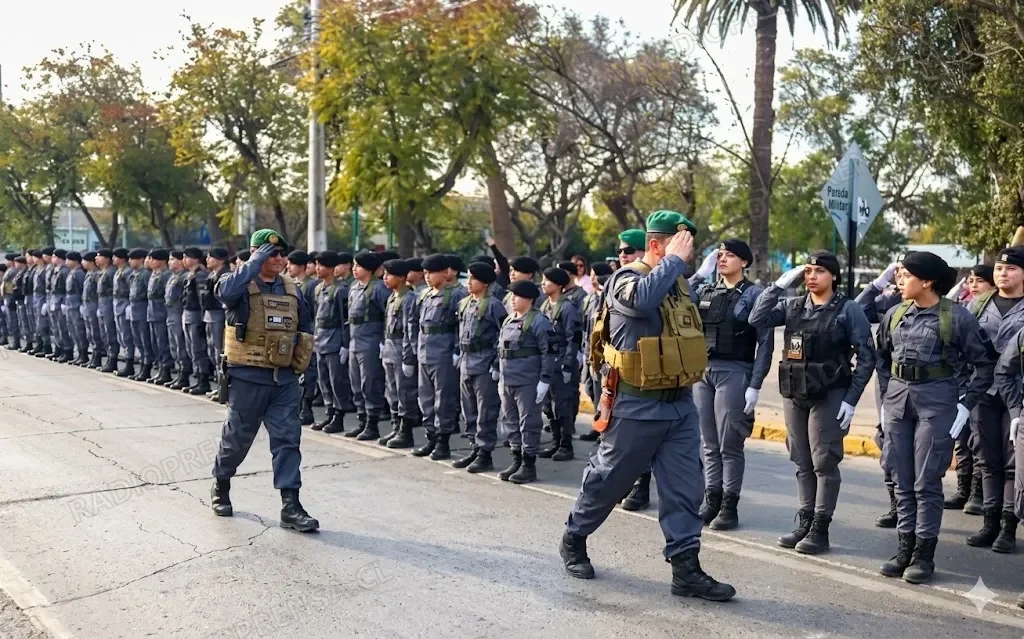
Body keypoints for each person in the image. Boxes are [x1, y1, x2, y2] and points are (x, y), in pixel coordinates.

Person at [560, 211, 734, 601]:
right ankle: (574, 537)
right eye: (678, 244)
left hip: (679, 405)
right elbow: (640, 302)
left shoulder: (678, 283)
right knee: (610, 480)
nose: (686, 254)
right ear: (657, 245)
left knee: (685, 490)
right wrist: (672, 261)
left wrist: (676, 268)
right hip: (635, 403)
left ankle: (686, 568)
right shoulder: (626, 279)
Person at [875, 251, 996, 583]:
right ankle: (904, 548)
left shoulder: (957, 318)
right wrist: (885, 399)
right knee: (900, 476)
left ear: (926, 281)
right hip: (899, 402)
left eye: (906, 275)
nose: (900, 281)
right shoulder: (895, 314)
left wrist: (964, 404)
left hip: (938, 401)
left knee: (926, 481)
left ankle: (923, 556)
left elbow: (984, 364)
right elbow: (882, 359)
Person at [748, 250, 876, 555]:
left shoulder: (848, 310)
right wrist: (778, 286)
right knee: (801, 460)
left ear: (833, 275)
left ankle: (821, 528)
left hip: (829, 394)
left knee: (824, 461)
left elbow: (867, 355)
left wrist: (851, 399)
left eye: (819, 271)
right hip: (794, 393)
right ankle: (804, 522)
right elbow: (756, 318)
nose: (812, 276)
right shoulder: (793, 306)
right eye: (808, 271)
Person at [210, 229, 317, 531]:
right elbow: (224, 293)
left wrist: (302, 360)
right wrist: (253, 263)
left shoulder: (292, 288)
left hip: (283, 379)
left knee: (287, 440)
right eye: (272, 254)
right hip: (247, 378)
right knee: (236, 440)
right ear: (257, 254)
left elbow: (306, 325)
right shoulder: (241, 285)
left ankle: (290, 505)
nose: (280, 259)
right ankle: (221, 484)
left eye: (282, 254)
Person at [686, 240, 774, 530]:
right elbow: (676, 295)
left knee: (730, 444)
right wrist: (700, 274)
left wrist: (756, 383)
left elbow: (765, 343)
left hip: (735, 371)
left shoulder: (754, 294)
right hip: (704, 372)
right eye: (720, 255)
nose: (723, 259)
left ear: (745, 262)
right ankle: (711, 498)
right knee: (708, 443)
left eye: (731, 255)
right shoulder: (706, 290)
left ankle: (729, 506)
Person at [964, 248, 1024, 553]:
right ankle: (989, 523)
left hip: (1018, 392)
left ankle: (1008, 527)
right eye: (999, 268)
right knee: (987, 458)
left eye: (1011, 268)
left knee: (1014, 462)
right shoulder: (979, 303)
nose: (1003, 273)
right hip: (983, 389)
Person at [854, 259, 907, 529]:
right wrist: (876, 284)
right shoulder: (888, 302)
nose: (899, 276)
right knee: (887, 440)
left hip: (925, 389)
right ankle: (896, 504)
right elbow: (858, 308)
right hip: (889, 384)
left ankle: (912, 505)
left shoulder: (940, 307)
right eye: (897, 271)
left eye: (906, 272)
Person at [495, 280, 555, 483]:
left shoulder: (539, 321)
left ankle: (528, 464)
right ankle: (517, 458)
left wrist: (544, 380)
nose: (512, 300)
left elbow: (549, 352)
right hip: (508, 380)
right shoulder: (509, 320)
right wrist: (498, 373)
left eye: (516, 296)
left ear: (528, 298)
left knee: (528, 423)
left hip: (527, 381)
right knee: (511, 421)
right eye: (511, 296)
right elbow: (501, 349)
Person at [409, 254, 467, 460]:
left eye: (431, 273)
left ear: (444, 273)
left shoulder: (456, 296)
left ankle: (443, 441)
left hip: (443, 353)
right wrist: (414, 348)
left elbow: (462, 326)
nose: (427, 277)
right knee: (425, 397)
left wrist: (456, 351)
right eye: (424, 273)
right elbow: (413, 322)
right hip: (425, 351)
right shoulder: (423, 295)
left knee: (443, 399)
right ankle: (431, 436)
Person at [452, 262, 507, 472]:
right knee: (469, 409)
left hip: (484, 362)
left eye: (473, 279)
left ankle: (485, 453)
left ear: (484, 283)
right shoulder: (464, 303)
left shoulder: (494, 305)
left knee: (486, 410)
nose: (469, 282)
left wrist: (496, 363)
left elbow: (503, 334)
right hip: (467, 360)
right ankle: (474, 447)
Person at [344, 250, 390, 441]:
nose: (354, 269)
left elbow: (388, 316)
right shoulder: (354, 287)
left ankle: (372, 423)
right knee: (356, 383)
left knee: (370, 383)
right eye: (354, 265)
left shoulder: (378, 288)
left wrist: (383, 342)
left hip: (371, 341)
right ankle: (362, 420)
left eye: (359, 266)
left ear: (370, 269)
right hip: (356, 340)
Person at [538, 266, 582, 462]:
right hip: (548, 362)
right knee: (549, 405)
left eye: (546, 280)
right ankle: (555, 442)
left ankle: (566, 444)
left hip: (563, 360)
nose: (542, 284)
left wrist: (567, 364)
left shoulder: (567, 307)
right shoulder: (545, 306)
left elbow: (574, 338)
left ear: (557, 284)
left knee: (562, 405)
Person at [380, 259, 419, 448]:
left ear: (402, 277)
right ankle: (396, 426)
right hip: (389, 348)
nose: (385, 278)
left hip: (401, 349)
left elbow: (410, 332)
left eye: (389, 275)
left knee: (405, 392)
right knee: (392, 391)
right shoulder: (392, 296)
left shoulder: (409, 299)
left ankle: (406, 431)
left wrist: (409, 358)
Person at [312, 251, 350, 434]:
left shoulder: (340, 290)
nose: (317, 268)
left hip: (334, 341)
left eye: (321, 265)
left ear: (331, 268)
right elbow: (316, 316)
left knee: (336, 381)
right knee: (324, 379)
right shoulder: (319, 289)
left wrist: (345, 344)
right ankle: (329, 411)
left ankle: (339, 415)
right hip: (321, 339)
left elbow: (345, 320)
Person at [579, 262, 614, 444]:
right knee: (591, 389)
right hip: (590, 354)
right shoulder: (589, 299)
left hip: (605, 357)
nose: (592, 279)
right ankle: (596, 424)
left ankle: (605, 430)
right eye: (591, 275)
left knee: (604, 394)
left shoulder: (609, 297)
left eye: (595, 275)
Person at [287, 250, 319, 426]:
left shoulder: (311, 285)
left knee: (308, 374)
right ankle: (299, 407)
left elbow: (314, 312)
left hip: (307, 335)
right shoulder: (292, 284)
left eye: (291, 264)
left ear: (301, 266)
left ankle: (306, 409)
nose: (288, 267)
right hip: (295, 334)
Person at [182, 248, 212, 395]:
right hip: (188, 313)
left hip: (196, 315)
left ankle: (203, 380)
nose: (184, 260)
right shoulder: (190, 275)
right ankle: (198, 379)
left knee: (198, 349)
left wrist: (201, 320)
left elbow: (202, 300)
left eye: (186, 257)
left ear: (195, 259)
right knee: (191, 349)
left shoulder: (200, 275)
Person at [204, 248, 231, 401]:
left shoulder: (225, 275)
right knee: (211, 351)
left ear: (220, 259)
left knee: (219, 351)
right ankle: (217, 385)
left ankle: (222, 388)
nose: (207, 260)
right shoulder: (212, 275)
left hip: (219, 315)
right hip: (210, 315)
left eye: (211, 257)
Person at [146, 249, 173, 385]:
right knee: (155, 343)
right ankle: (161, 368)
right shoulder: (153, 274)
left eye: (152, 259)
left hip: (161, 314)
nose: (149, 261)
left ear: (161, 261)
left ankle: (166, 370)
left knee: (163, 344)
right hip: (152, 313)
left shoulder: (166, 275)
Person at [164, 250, 190, 388]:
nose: (170, 262)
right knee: (174, 344)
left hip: (178, 312)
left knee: (181, 345)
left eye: (173, 259)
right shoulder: (173, 276)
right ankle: (180, 373)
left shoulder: (184, 277)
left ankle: (184, 374)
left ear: (181, 261)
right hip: (170, 312)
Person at [127, 249, 153, 381]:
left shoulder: (145, 275)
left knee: (144, 339)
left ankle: (147, 367)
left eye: (133, 259)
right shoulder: (133, 274)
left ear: (140, 259)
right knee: (138, 340)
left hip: (143, 309)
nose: (130, 261)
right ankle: (143, 364)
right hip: (134, 309)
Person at [112, 248, 136, 377]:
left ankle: (129, 364)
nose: (113, 259)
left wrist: (129, 306)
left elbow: (131, 290)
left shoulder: (127, 272)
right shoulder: (118, 272)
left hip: (125, 304)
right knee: (121, 336)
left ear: (121, 258)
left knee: (127, 337)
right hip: (117, 305)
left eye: (115, 256)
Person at [96, 249, 119, 372]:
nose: (96, 259)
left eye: (99, 256)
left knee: (110, 332)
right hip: (102, 303)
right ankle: (109, 358)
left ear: (107, 258)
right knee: (104, 332)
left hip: (109, 304)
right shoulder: (102, 272)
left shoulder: (111, 272)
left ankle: (113, 358)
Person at [80, 252, 104, 368]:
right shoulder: (89, 273)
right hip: (87, 304)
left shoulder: (96, 274)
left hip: (94, 305)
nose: (82, 263)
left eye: (84, 260)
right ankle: (93, 356)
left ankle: (97, 356)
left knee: (95, 332)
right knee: (89, 332)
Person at [48, 249, 71, 362]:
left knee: (63, 328)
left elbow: (68, 289)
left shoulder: (65, 271)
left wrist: (64, 303)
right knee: (56, 328)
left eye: (54, 256)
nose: (53, 258)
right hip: (54, 300)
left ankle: (67, 351)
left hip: (61, 300)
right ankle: (59, 349)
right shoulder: (55, 270)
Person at [29, 249, 52, 358]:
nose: (32, 259)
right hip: (36, 297)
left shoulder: (44, 270)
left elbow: (46, 287)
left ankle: (46, 347)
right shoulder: (36, 269)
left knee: (43, 325)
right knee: (37, 324)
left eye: (35, 257)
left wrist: (46, 302)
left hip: (42, 297)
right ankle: (40, 345)